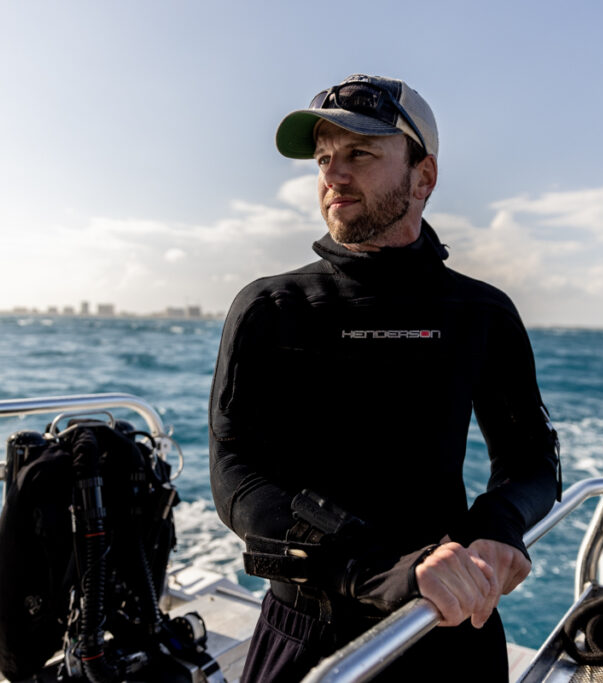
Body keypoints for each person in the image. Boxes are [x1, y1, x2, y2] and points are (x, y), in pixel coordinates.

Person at [209, 74, 561, 682]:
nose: (333, 176)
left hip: (448, 624)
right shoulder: (272, 307)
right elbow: (235, 474)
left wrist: (494, 532)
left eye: (360, 153)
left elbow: (532, 459)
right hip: (308, 634)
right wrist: (373, 567)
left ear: (423, 176)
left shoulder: (480, 313)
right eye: (324, 159)